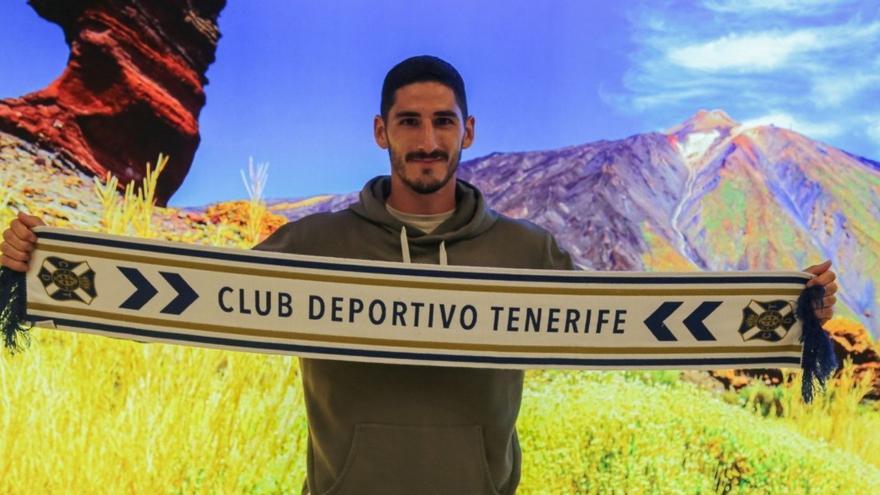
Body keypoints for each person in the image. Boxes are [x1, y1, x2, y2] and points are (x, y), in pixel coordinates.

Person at [1, 56, 839, 495]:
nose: (428, 139)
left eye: (443, 122)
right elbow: (205, 304)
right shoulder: (314, 242)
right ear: (381, 132)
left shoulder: (527, 251)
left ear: (467, 129)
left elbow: (620, 323)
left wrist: (791, 313)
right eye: (410, 123)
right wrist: (34, 272)